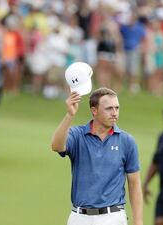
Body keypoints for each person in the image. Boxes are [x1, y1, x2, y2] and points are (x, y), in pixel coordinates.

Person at [51, 87, 143, 225]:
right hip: (79, 217)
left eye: (117, 108)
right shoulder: (77, 135)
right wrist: (69, 115)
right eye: (109, 108)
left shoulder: (126, 141)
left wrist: (138, 221)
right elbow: (56, 146)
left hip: (113, 217)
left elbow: (134, 184)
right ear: (94, 110)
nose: (114, 113)